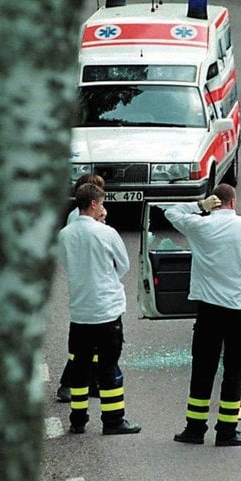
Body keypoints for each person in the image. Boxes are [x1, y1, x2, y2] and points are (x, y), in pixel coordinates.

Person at [164, 183, 241, 447]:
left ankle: (195, 428)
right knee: (234, 370)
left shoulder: (200, 227)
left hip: (208, 311)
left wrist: (198, 207)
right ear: (233, 202)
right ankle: (227, 431)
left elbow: (171, 213)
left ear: (215, 201)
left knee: (202, 368)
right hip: (238, 311)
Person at [56, 182, 140, 435]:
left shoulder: (65, 234)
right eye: (101, 203)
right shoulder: (106, 233)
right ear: (93, 205)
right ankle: (113, 419)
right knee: (108, 368)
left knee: (80, 368)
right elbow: (123, 265)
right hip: (106, 311)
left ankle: (78, 419)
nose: (103, 208)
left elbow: (65, 263)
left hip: (80, 312)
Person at [55, 173, 122, 403]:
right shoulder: (82, 223)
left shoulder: (75, 223)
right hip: (96, 300)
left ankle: (87, 388)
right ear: (92, 201)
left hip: (84, 300)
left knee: (86, 352)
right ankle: (68, 384)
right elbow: (117, 261)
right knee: (87, 355)